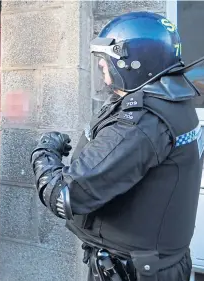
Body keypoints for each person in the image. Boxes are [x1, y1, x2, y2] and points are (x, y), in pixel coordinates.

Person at [29, 11, 204, 281]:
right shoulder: (172, 101)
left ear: (133, 63)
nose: (102, 68)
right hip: (147, 264)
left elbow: (66, 195)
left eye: (106, 61)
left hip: (132, 271)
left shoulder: (143, 122)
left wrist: (44, 152)